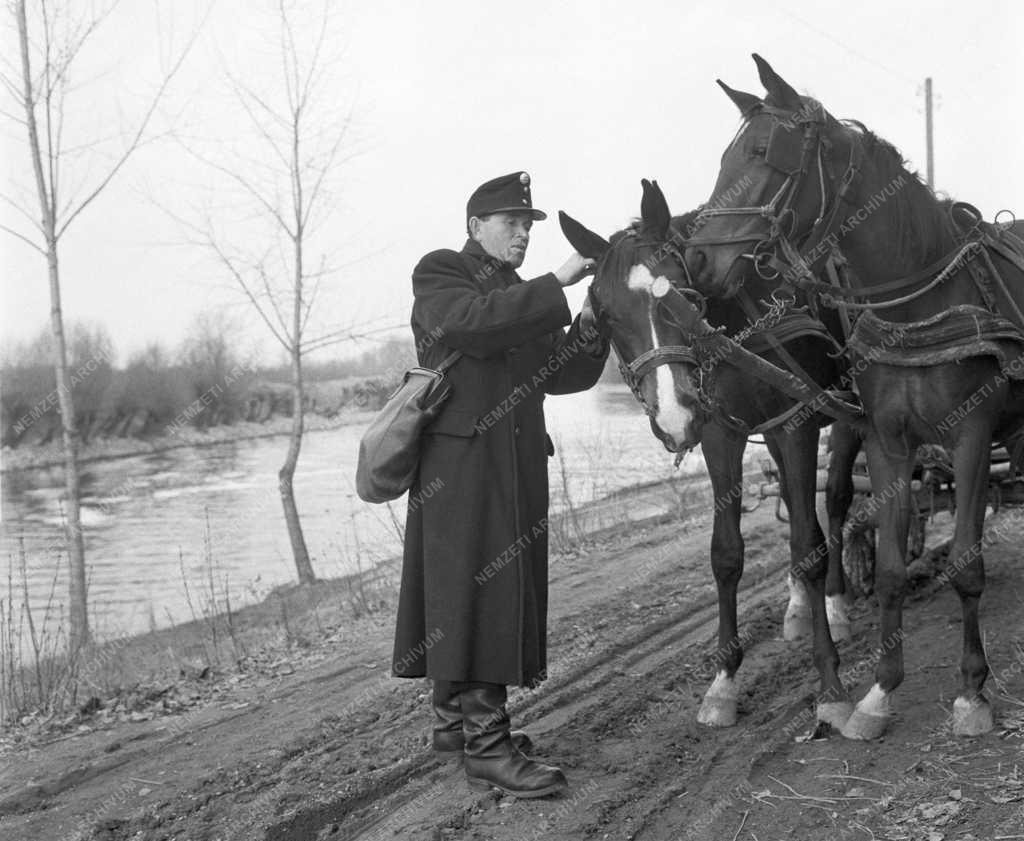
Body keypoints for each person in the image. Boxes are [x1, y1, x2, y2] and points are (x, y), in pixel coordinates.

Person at [392, 171, 609, 798]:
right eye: (512, 223)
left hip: (511, 469)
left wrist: (591, 323)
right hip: (459, 471)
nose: (523, 234)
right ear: (474, 226)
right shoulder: (440, 273)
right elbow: (471, 325)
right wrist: (560, 282)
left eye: (529, 226)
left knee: (468, 593)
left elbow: (559, 374)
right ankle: (487, 749)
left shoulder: (521, 293)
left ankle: (455, 727)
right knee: (476, 597)